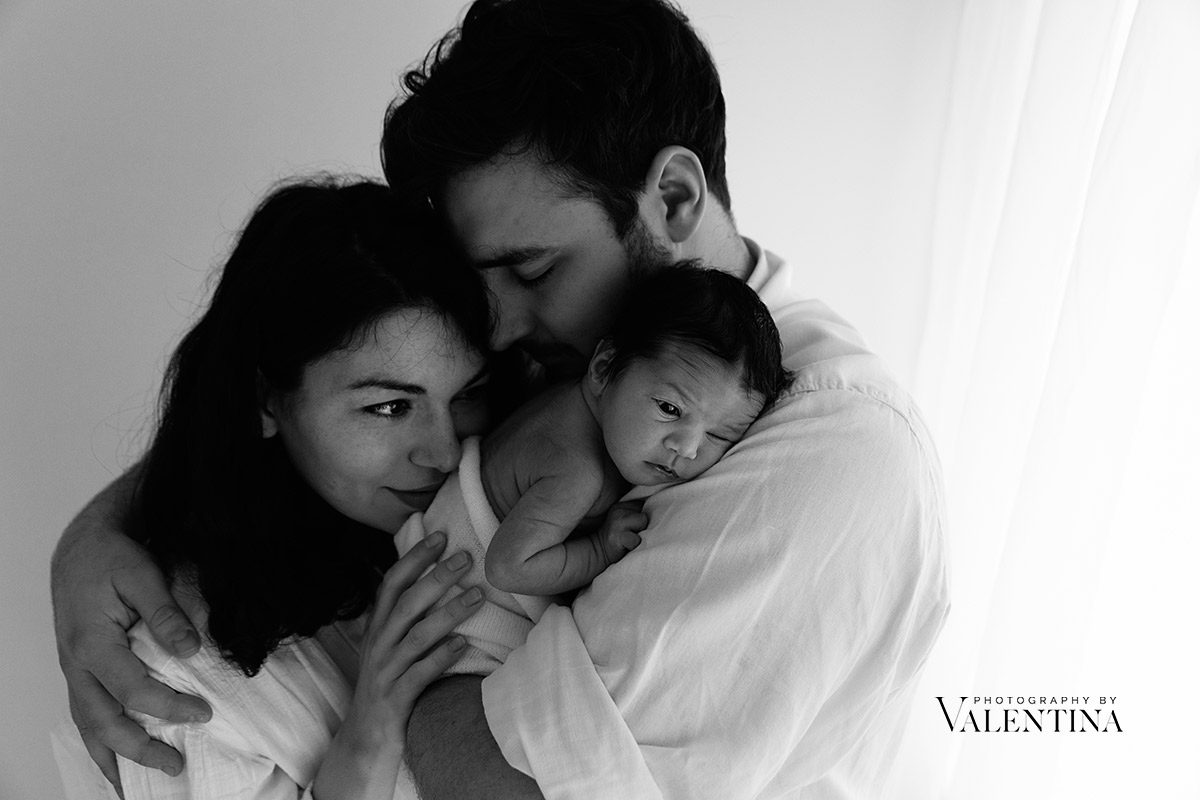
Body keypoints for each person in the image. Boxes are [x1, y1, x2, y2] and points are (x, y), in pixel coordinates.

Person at [52, 1, 951, 798]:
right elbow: (315, 397)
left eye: (532, 271)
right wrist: (100, 532)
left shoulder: (824, 455)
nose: (503, 331)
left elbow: (507, 781)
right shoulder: (590, 343)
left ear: (672, 198)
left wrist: (407, 695)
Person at [53, 178, 499, 799]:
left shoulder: (493, 509)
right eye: (390, 407)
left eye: (469, 396)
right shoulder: (178, 686)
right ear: (266, 399)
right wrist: (368, 744)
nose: (445, 451)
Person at [483, 265, 792, 596]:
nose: (687, 448)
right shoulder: (574, 471)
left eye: (720, 435)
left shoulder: (571, 400)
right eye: (669, 409)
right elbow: (508, 568)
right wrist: (600, 549)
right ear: (603, 368)